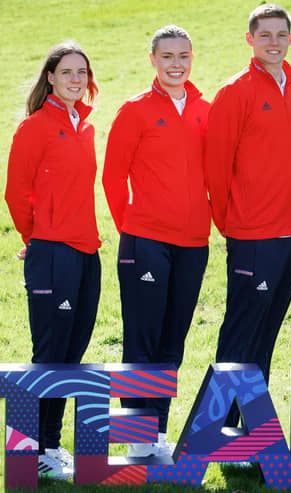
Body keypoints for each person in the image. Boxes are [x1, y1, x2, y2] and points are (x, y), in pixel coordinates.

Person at [103, 25, 210, 457]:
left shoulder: (206, 110)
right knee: (143, 337)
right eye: (167, 56)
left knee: (173, 340)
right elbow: (112, 177)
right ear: (153, 60)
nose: (176, 64)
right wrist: (131, 227)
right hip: (145, 240)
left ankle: (158, 433)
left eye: (183, 55)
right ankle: (136, 439)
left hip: (193, 243)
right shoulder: (135, 110)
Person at [205, 3, 291, 427]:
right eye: (265, 35)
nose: (274, 42)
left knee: (266, 332)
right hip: (252, 234)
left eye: (280, 34)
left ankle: (250, 429)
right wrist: (234, 223)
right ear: (250, 39)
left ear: (290, 38)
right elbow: (215, 165)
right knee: (241, 332)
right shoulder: (235, 91)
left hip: (290, 230)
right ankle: (215, 430)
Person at [5, 41, 101, 480]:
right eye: (67, 72)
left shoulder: (84, 125)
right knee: (50, 353)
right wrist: (37, 239)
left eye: (81, 72)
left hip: (86, 253)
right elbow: (15, 193)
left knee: (71, 354)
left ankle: (49, 446)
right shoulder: (36, 127)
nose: (75, 79)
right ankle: (36, 450)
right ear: (50, 78)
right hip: (52, 254)